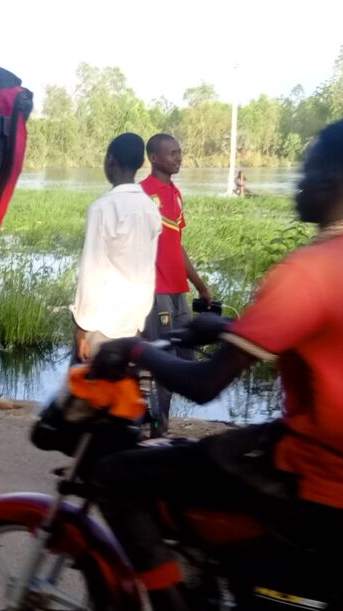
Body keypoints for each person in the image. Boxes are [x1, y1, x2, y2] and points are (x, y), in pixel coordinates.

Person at [85, 117, 343, 611]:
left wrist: (137, 347)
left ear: (338, 176)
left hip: (318, 471)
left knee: (118, 473)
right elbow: (322, 329)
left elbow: (204, 385)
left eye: (308, 168)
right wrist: (224, 325)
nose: (298, 182)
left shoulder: (310, 269)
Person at [139, 134, 211, 436]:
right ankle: (157, 429)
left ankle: (149, 419)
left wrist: (200, 286)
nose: (178, 158)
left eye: (180, 153)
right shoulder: (141, 194)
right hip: (155, 292)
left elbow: (177, 247)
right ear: (154, 157)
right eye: (172, 153)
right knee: (162, 363)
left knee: (186, 358)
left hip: (179, 291)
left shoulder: (176, 193)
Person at [71, 133, 160, 362]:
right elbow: (147, 274)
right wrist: (139, 322)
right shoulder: (149, 208)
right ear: (140, 163)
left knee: (86, 392)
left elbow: (91, 273)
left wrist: (82, 330)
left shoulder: (103, 208)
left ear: (110, 160)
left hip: (102, 324)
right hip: (132, 325)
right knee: (121, 392)